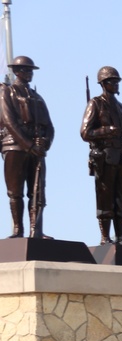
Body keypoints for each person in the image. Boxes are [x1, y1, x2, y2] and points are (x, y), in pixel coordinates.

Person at [80, 66, 122, 245]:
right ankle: (105, 237)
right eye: (113, 81)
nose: (116, 84)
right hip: (105, 157)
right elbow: (85, 132)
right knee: (105, 197)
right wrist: (106, 130)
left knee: (121, 198)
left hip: (121, 157)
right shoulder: (96, 104)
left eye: (117, 81)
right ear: (104, 84)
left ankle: (120, 236)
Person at [1, 56, 54, 239]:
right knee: (15, 191)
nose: (29, 73)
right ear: (16, 72)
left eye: (31, 70)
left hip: (36, 150)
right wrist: (29, 145)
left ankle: (36, 230)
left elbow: (49, 126)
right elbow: (9, 122)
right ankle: (18, 230)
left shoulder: (37, 97)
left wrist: (45, 143)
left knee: (37, 191)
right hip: (15, 146)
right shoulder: (7, 93)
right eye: (25, 70)